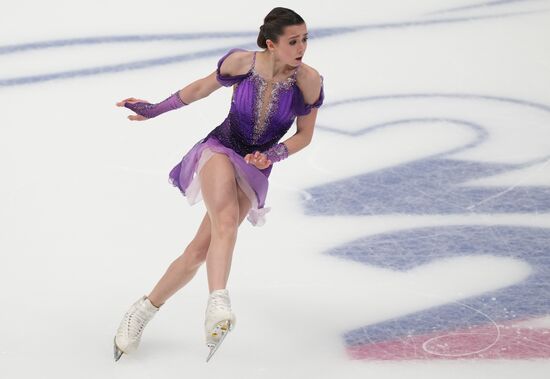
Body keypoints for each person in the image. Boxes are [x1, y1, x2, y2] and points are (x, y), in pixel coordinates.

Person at [113, 6, 324, 361]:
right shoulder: (241, 63)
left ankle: (141, 311)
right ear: (271, 44)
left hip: (256, 165)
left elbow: (305, 136)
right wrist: (154, 109)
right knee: (225, 221)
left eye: (305, 39)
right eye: (293, 40)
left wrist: (273, 155)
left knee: (198, 251)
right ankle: (217, 304)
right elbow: (198, 89)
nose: (302, 47)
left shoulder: (309, 81)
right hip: (221, 148)